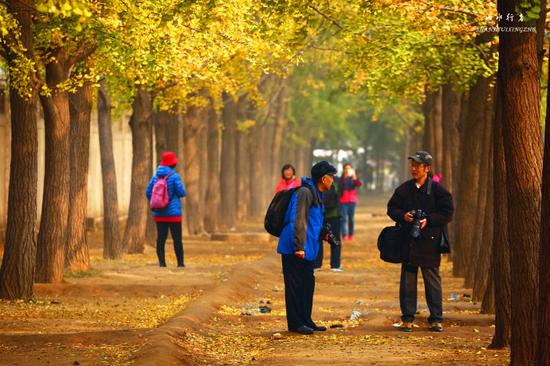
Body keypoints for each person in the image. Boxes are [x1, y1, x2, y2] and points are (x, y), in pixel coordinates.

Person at [387, 150, 453, 332]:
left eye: (417, 165)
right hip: (409, 241)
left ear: (427, 168)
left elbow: (447, 212)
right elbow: (391, 208)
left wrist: (429, 220)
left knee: (432, 281)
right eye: (412, 165)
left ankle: (436, 319)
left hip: (430, 242)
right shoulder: (404, 189)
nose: (413, 169)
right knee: (407, 281)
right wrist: (403, 216)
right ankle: (407, 318)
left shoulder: (439, 191)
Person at [277, 160, 337, 335]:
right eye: (331, 177)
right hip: (295, 248)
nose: (333, 180)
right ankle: (295, 323)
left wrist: (323, 234)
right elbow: (299, 219)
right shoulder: (305, 192)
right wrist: (298, 246)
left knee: (307, 284)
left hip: (307, 248)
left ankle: (306, 319)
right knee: (295, 285)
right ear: (323, 179)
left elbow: (313, 221)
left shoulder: (317, 193)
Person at [146, 151, 187, 268]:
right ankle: (180, 263)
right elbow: (182, 192)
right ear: (173, 164)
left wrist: (157, 201)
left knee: (161, 238)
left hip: (159, 214)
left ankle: (162, 263)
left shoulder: (155, 176)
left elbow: (148, 192)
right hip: (174, 214)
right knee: (177, 239)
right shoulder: (174, 176)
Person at [314, 176, 343, 271]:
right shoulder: (336, 182)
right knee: (335, 240)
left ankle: (316, 265)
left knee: (318, 240)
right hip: (333, 215)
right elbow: (340, 195)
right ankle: (335, 265)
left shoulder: (316, 182)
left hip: (320, 215)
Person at [339, 163, 362, 241]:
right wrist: (344, 178)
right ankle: (344, 234)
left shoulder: (354, 178)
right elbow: (339, 186)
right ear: (344, 169)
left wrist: (355, 177)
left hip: (352, 200)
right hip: (343, 200)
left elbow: (359, 185)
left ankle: (351, 234)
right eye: (346, 168)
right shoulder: (341, 178)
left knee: (351, 219)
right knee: (343, 218)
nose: (348, 170)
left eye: (349, 168)